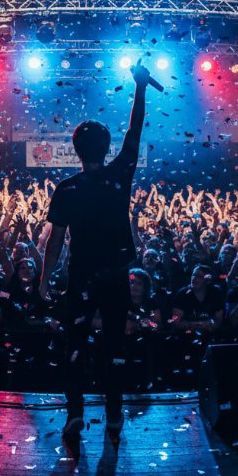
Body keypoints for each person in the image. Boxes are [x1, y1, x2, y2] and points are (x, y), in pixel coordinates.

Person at [38, 59, 152, 441]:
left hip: (82, 275)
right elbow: (135, 132)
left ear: (75, 150)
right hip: (116, 275)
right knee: (114, 346)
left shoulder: (67, 188)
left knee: (75, 345)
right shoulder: (120, 174)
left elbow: (55, 242)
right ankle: (115, 415)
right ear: (106, 148)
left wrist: (44, 281)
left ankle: (75, 414)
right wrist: (139, 87)